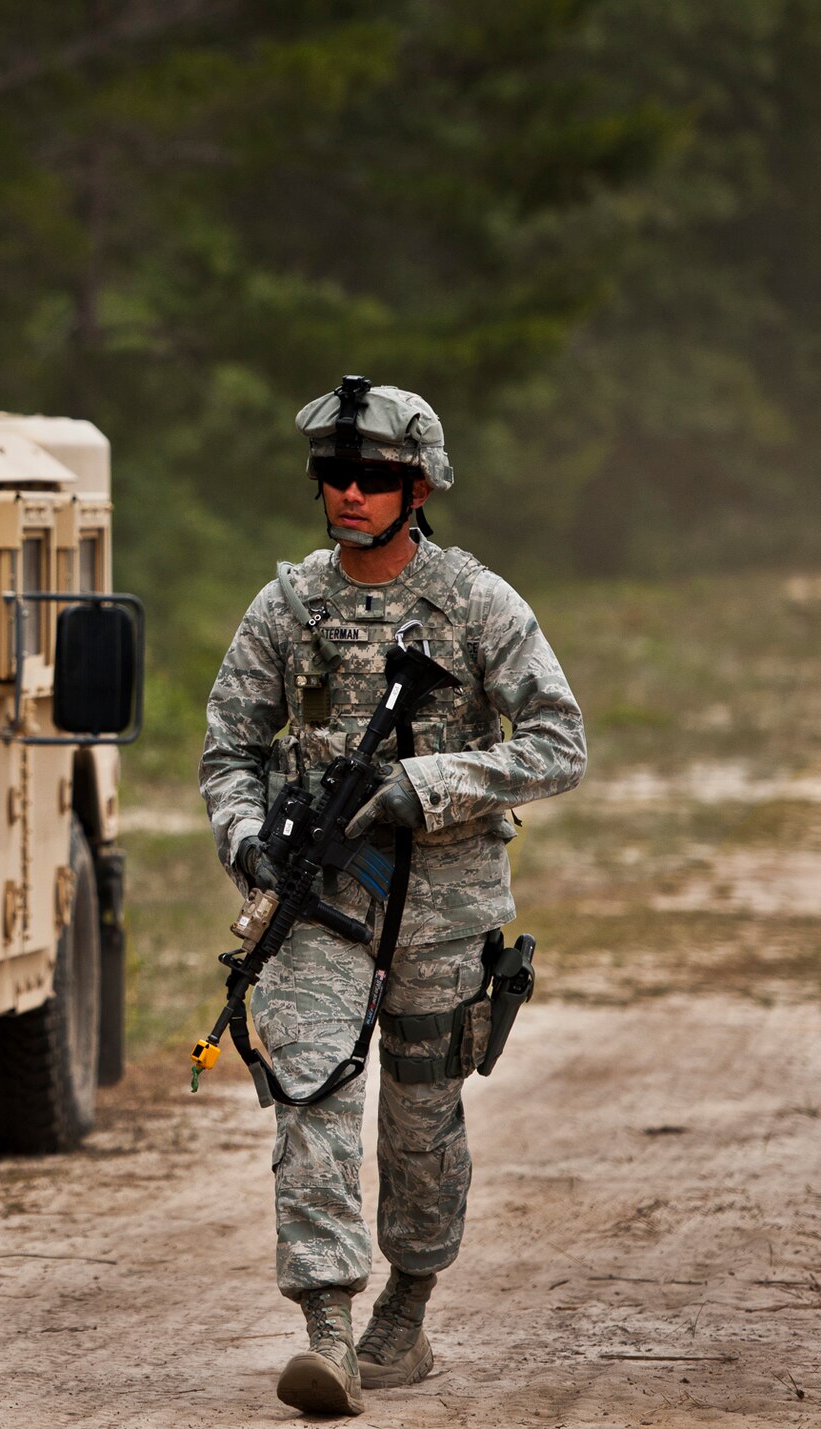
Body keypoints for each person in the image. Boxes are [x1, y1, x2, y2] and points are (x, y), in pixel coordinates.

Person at [198, 378, 586, 1416]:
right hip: (319, 901)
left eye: (371, 477)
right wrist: (248, 841)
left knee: (421, 1119)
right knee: (311, 1095)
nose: (348, 494)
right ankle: (325, 1327)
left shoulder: (472, 603)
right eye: (333, 475)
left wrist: (423, 786)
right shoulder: (286, 608)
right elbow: (228, 751)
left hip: (442, 902)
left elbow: (558, 744)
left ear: (416, 486)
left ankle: (404, 1313)